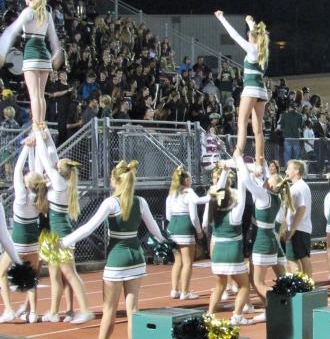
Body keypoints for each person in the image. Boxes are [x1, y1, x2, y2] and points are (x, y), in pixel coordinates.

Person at [59, 160, 166, 339]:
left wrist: (64, 242)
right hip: (136, 257)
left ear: (114, 180)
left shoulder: (111, 202)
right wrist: (168, 242)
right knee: (133, 309)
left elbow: (88, 228)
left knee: (109, 309)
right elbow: (155, 230)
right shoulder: (141, 202)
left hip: (117, 258)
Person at [35, 131, 95, 324]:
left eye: (58, 165)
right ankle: (53, 312)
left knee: (69, 273)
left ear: (60, 170)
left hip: (61, 236)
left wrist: (37, 134)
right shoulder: (63, 180)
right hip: (54, 234)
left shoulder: (60, 182)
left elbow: (46, 158)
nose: (55, 164)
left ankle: (85, 309)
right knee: (54, 276)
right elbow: (52, 156)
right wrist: (47, 136)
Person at [0, 0, 64, 138]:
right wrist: (57, 54)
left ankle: (36, 125)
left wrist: (2, 50)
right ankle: (42, 123)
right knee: (40, 95)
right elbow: (54, 39)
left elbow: (12, 30)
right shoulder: (47, 14)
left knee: (34, 95)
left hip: (31, 54)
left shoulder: (28, 12)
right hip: (44, 55)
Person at [235, 154, 293, 323]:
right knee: (282, 279)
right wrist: (261, 165)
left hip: (262, 242)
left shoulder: (263, 195)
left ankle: (278, 307)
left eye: (269, 180)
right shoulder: (274, 195)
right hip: (270, 240)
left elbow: (247, 181)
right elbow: (262, 178)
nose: (266, 181)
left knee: (257, 282)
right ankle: (279, 306)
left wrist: (240, 160)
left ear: (272, 184)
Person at [215, 11, 269, 170]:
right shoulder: (264, 51)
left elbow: (234, 36)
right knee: (258, 129)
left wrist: (221, 18)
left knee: (242, 122)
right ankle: (260, 161)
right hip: (262, 90)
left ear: (252, 38)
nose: (247, 39)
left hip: (250, 88)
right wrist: (250, 21)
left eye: (249, 37)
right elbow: (256, 33)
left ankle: (238, 153)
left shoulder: (252, 49)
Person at [205, 164, 253, 326]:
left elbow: (217, 192)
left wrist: (224, 171)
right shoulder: (236, 214)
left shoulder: (214, 212)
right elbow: (242, 190)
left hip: (218, 252)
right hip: (232, 252)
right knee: (244, 285)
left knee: (219, 286)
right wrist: (239, 169)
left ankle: (210, 315)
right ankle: (237, 316)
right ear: (230, 200)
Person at [0, 141, 41, 324]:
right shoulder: (39, 196)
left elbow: (17, 170)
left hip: (17, 241)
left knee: (1, 274)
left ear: (26, 183)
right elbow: (35, 173)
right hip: (34, 242)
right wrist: (34, 148)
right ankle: (33, 313)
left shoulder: (22, 197)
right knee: (31, 276)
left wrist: (26, 147)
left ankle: (8, 309)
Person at [166, 166, 204, 300]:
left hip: (172, 227)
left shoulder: (171, 195)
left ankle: (174, 290)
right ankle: (185, 291)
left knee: (177, 261)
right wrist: (199, 231)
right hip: (184, 226)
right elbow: (194, 216)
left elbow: (168, 216)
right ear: (187, 180)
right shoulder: (189, 193)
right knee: (188, 261)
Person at [284, 159, 313, 276]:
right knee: (298, 257)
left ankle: (303, 282)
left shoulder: (299, 187)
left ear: (296, 171)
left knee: (295, 257)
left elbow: (301, 208)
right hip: (300, 227)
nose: (286, 171)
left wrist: (292, 229)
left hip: (299, 228)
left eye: (289, 168)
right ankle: (305, 282)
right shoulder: (297, 187)